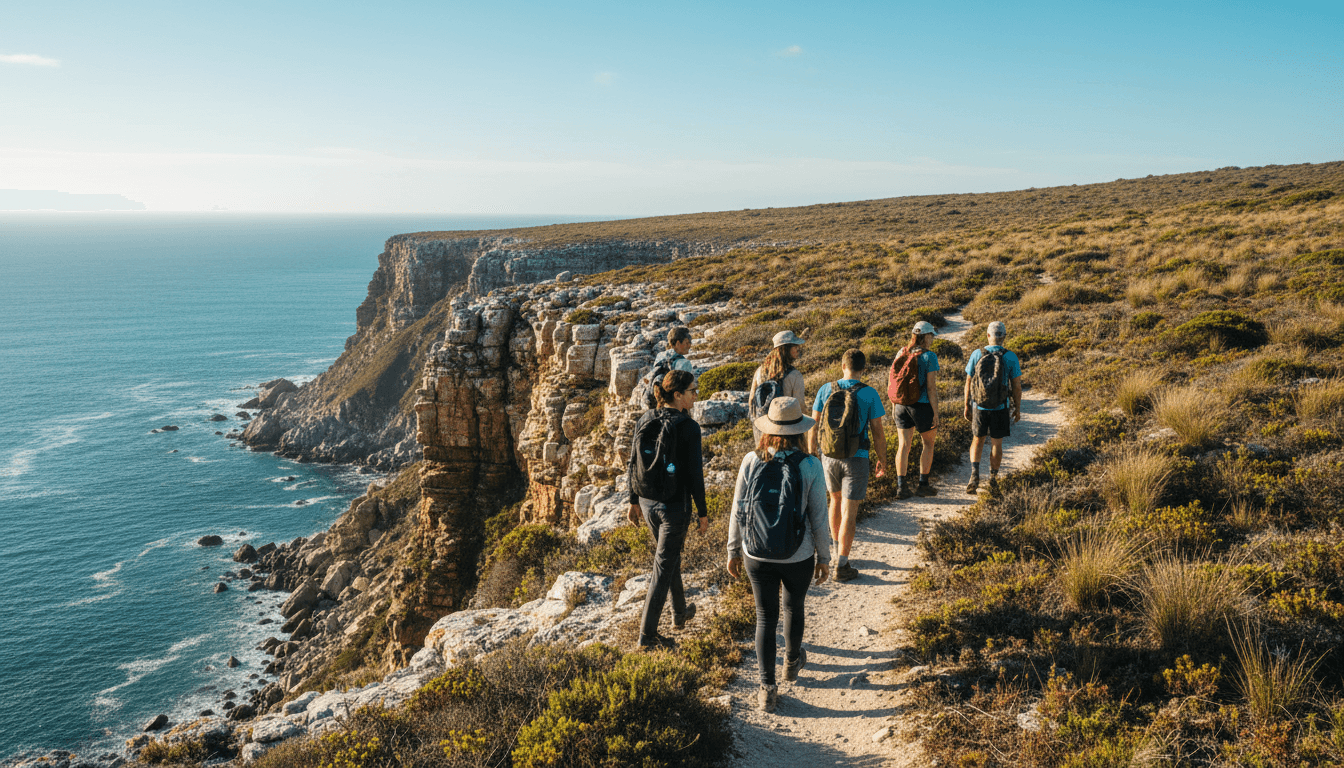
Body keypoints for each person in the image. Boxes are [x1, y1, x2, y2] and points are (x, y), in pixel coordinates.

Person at [727, 397, 830, 714]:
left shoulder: (751, 461)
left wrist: (733, 549)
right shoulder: (810, 464)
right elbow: (819, 517)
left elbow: (739, 509)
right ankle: (792, 661)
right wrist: (824, 557)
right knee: (793, 606)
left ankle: (767, 689)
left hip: (755, 553)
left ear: (768, 429)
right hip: (798, 554)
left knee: (764, 616)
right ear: (800, 430)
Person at [627, 369, 707, 649]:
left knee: (668, 559)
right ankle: (647, 637)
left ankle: (679, 613)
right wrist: (703, 512)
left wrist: (633, 500)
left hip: (648, 502)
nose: (696, 396)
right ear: (678, 395)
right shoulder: (689, 426)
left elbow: (632, 462)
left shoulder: (645, 418)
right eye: (692, 391)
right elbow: (696, 474)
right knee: (662, 567)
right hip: (675, 506)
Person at [809, 349, 886, 582]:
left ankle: (834, 553)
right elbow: (878, 433)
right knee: (850, 513)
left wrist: (812, 451)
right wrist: (882, 459)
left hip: (829, 456)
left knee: (835, 501)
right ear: (863, 369)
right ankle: (842, 565)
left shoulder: (826, 389)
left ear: (842, 365)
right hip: (857, 456)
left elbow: (813, 425)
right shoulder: (870, 394)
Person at [963, 321, 1023, 494]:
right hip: (1000, 407)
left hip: (979, 406)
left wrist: (966, 404)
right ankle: (993, 479)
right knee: (997, 444)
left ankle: (974, 475)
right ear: (1004, 337)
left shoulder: (976, 354)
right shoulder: (1010, 357)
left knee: (977, 439)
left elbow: (968, 382)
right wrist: (1017, 409)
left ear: (988, 336)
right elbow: (1017, 387)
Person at [892, 321, 941, 499]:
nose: (933, 339)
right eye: (932, 335)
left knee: (903, 445)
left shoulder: (901, 352)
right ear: (926, 336)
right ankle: (923, 485)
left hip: (901, 405)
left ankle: (901, 487)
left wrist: (893, 407)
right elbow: (931, 388)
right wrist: (935, 413)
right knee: (928, 444)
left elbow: (894, 383)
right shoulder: (930, 356)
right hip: (921, 406)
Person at [749, 330, 807, 444]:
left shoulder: (760, 371)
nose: (798, 348)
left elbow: (752, 403)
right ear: (785, 349)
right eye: (794, 346)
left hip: (764, 433)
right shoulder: (795, 375)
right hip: (787, 435)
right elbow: (800, 407)